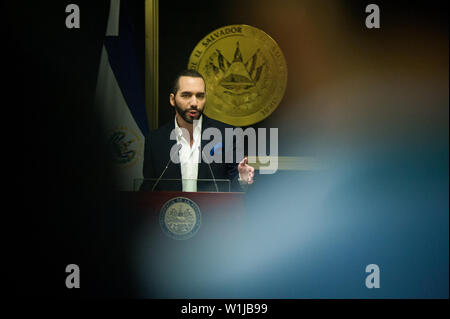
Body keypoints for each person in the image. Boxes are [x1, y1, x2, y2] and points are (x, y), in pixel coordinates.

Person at [141, 69, 254, 192]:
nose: (194, 103)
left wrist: (242, 179)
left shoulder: (228, 135)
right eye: (186, 95)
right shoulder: (155, 140)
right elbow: (149, 189)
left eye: (200, 96)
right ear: (172, 100)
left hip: (214, 210)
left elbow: (235, 186)